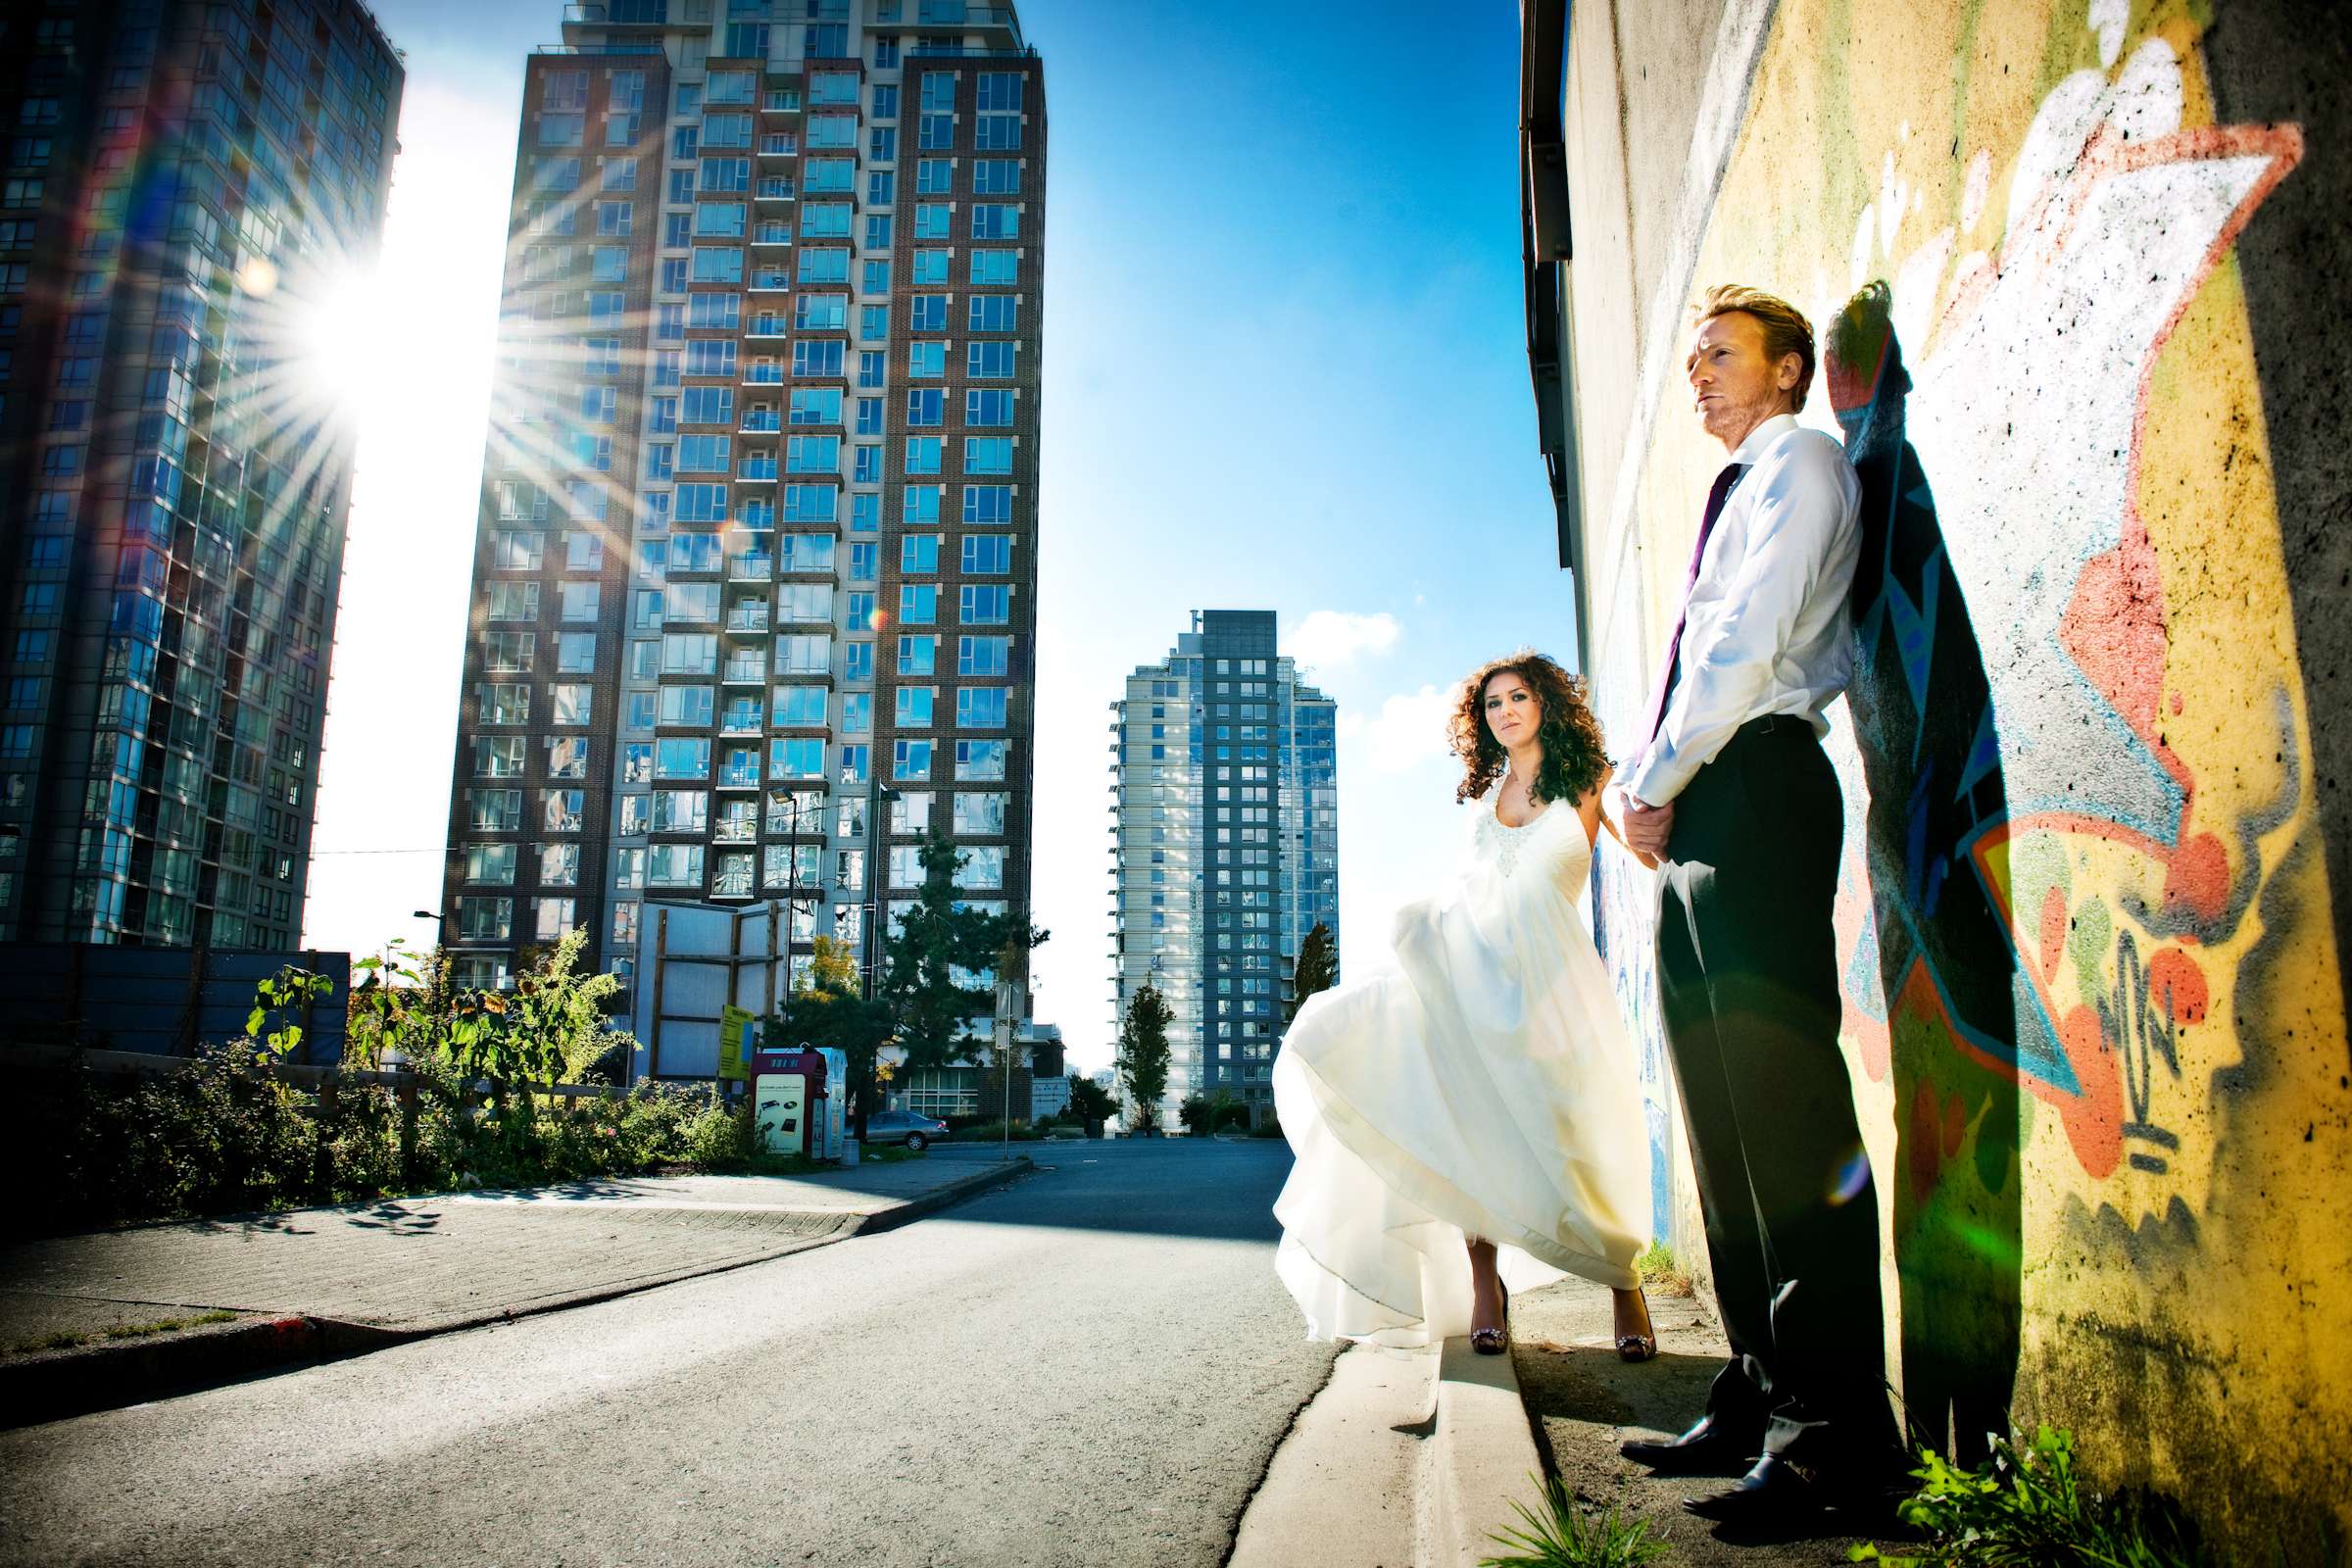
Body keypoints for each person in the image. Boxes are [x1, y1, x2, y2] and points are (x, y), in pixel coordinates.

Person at [1614, 285, 1900, 1525]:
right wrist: (1660, 793)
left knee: (1786, 1120)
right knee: (1722, 1131)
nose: (1700, 377)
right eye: (1691, 361)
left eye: (1722, 355)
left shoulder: (1800, 466)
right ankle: (1756, 1386)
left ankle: (1837, 1433)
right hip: (1703, 805)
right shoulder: (1739, 482)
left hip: (1760, 786)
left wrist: (1647, 784)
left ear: (1791, 369)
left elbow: (1740, 647)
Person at [1272, 650, 1658, 1361]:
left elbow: (1647, 852)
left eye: (1518, 697)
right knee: (1466, 1127)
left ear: (1545, 702)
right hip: (1471, 981)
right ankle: (1486, 1288)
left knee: (1575, 1136)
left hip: (1555, 990)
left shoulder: (1592, 782)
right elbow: (1474, 895)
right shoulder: (1486, 800)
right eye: (1491, 704)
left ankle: (1623, 1285)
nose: (1505, 711)